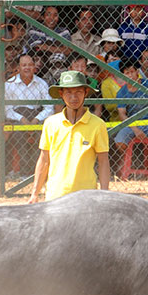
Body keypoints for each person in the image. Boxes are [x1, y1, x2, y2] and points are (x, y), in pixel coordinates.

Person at [28, 70, 110, 202]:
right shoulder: (51, 123)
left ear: (85, 93)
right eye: (68, 92)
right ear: (61, 94)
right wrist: (34, 194)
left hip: (86, 196)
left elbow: (103, 161)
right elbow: (44, 160)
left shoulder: (98, 125)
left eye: (78, 92)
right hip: (55, 196)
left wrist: (105, 194)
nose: (74, 97)